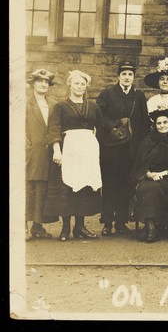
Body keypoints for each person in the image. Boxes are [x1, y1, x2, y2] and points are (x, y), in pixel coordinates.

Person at [45, 70, 104, 242]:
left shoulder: (93, 106)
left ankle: (80, 227)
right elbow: (54, 129)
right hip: (69, 150)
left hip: (87, 151)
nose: (80, 86)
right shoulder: (61, 106)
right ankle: (65, 229)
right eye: (76, 83)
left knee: (84, 187)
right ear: (70, 85)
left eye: (83, 84)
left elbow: (101, 126)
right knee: (67, 188)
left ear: (86, 87)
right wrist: (57, 150)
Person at [96, 61, 150, 237]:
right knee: (110, 184)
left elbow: (143, 123)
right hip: (111, 148)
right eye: (124, 74)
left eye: (130, 75)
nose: (127, 77)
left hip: (130, 150)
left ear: (134, 78)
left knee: (125, 185)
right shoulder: (108, 94)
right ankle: (107, 222)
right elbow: (99, 116)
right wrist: (116, 124)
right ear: (118, 76)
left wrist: (142, 147)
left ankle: (120, 222)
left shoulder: (139, 96)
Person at [130, 108, 168, 243]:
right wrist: (149, 173)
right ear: (155, 125)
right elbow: (139, 164)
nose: (162, 125)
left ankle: (151, 227)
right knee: (146, 188)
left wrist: (164, 173)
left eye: (165, 122)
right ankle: (151, 226)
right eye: (159, 123)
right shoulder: (147, 141)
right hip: (149, 177)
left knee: (154, 188)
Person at [26, 69, 58, 239]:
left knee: (42, 189)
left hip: (48, 152)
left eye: (46, 82)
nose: (43, 84)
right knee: (28, 188)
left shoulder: (53, 104)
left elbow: (55, 127)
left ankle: (37, 226)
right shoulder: (25, 103)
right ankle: (22, 225)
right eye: (40, 81)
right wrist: (26, 145)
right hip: (31, 152)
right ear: (33, 84)